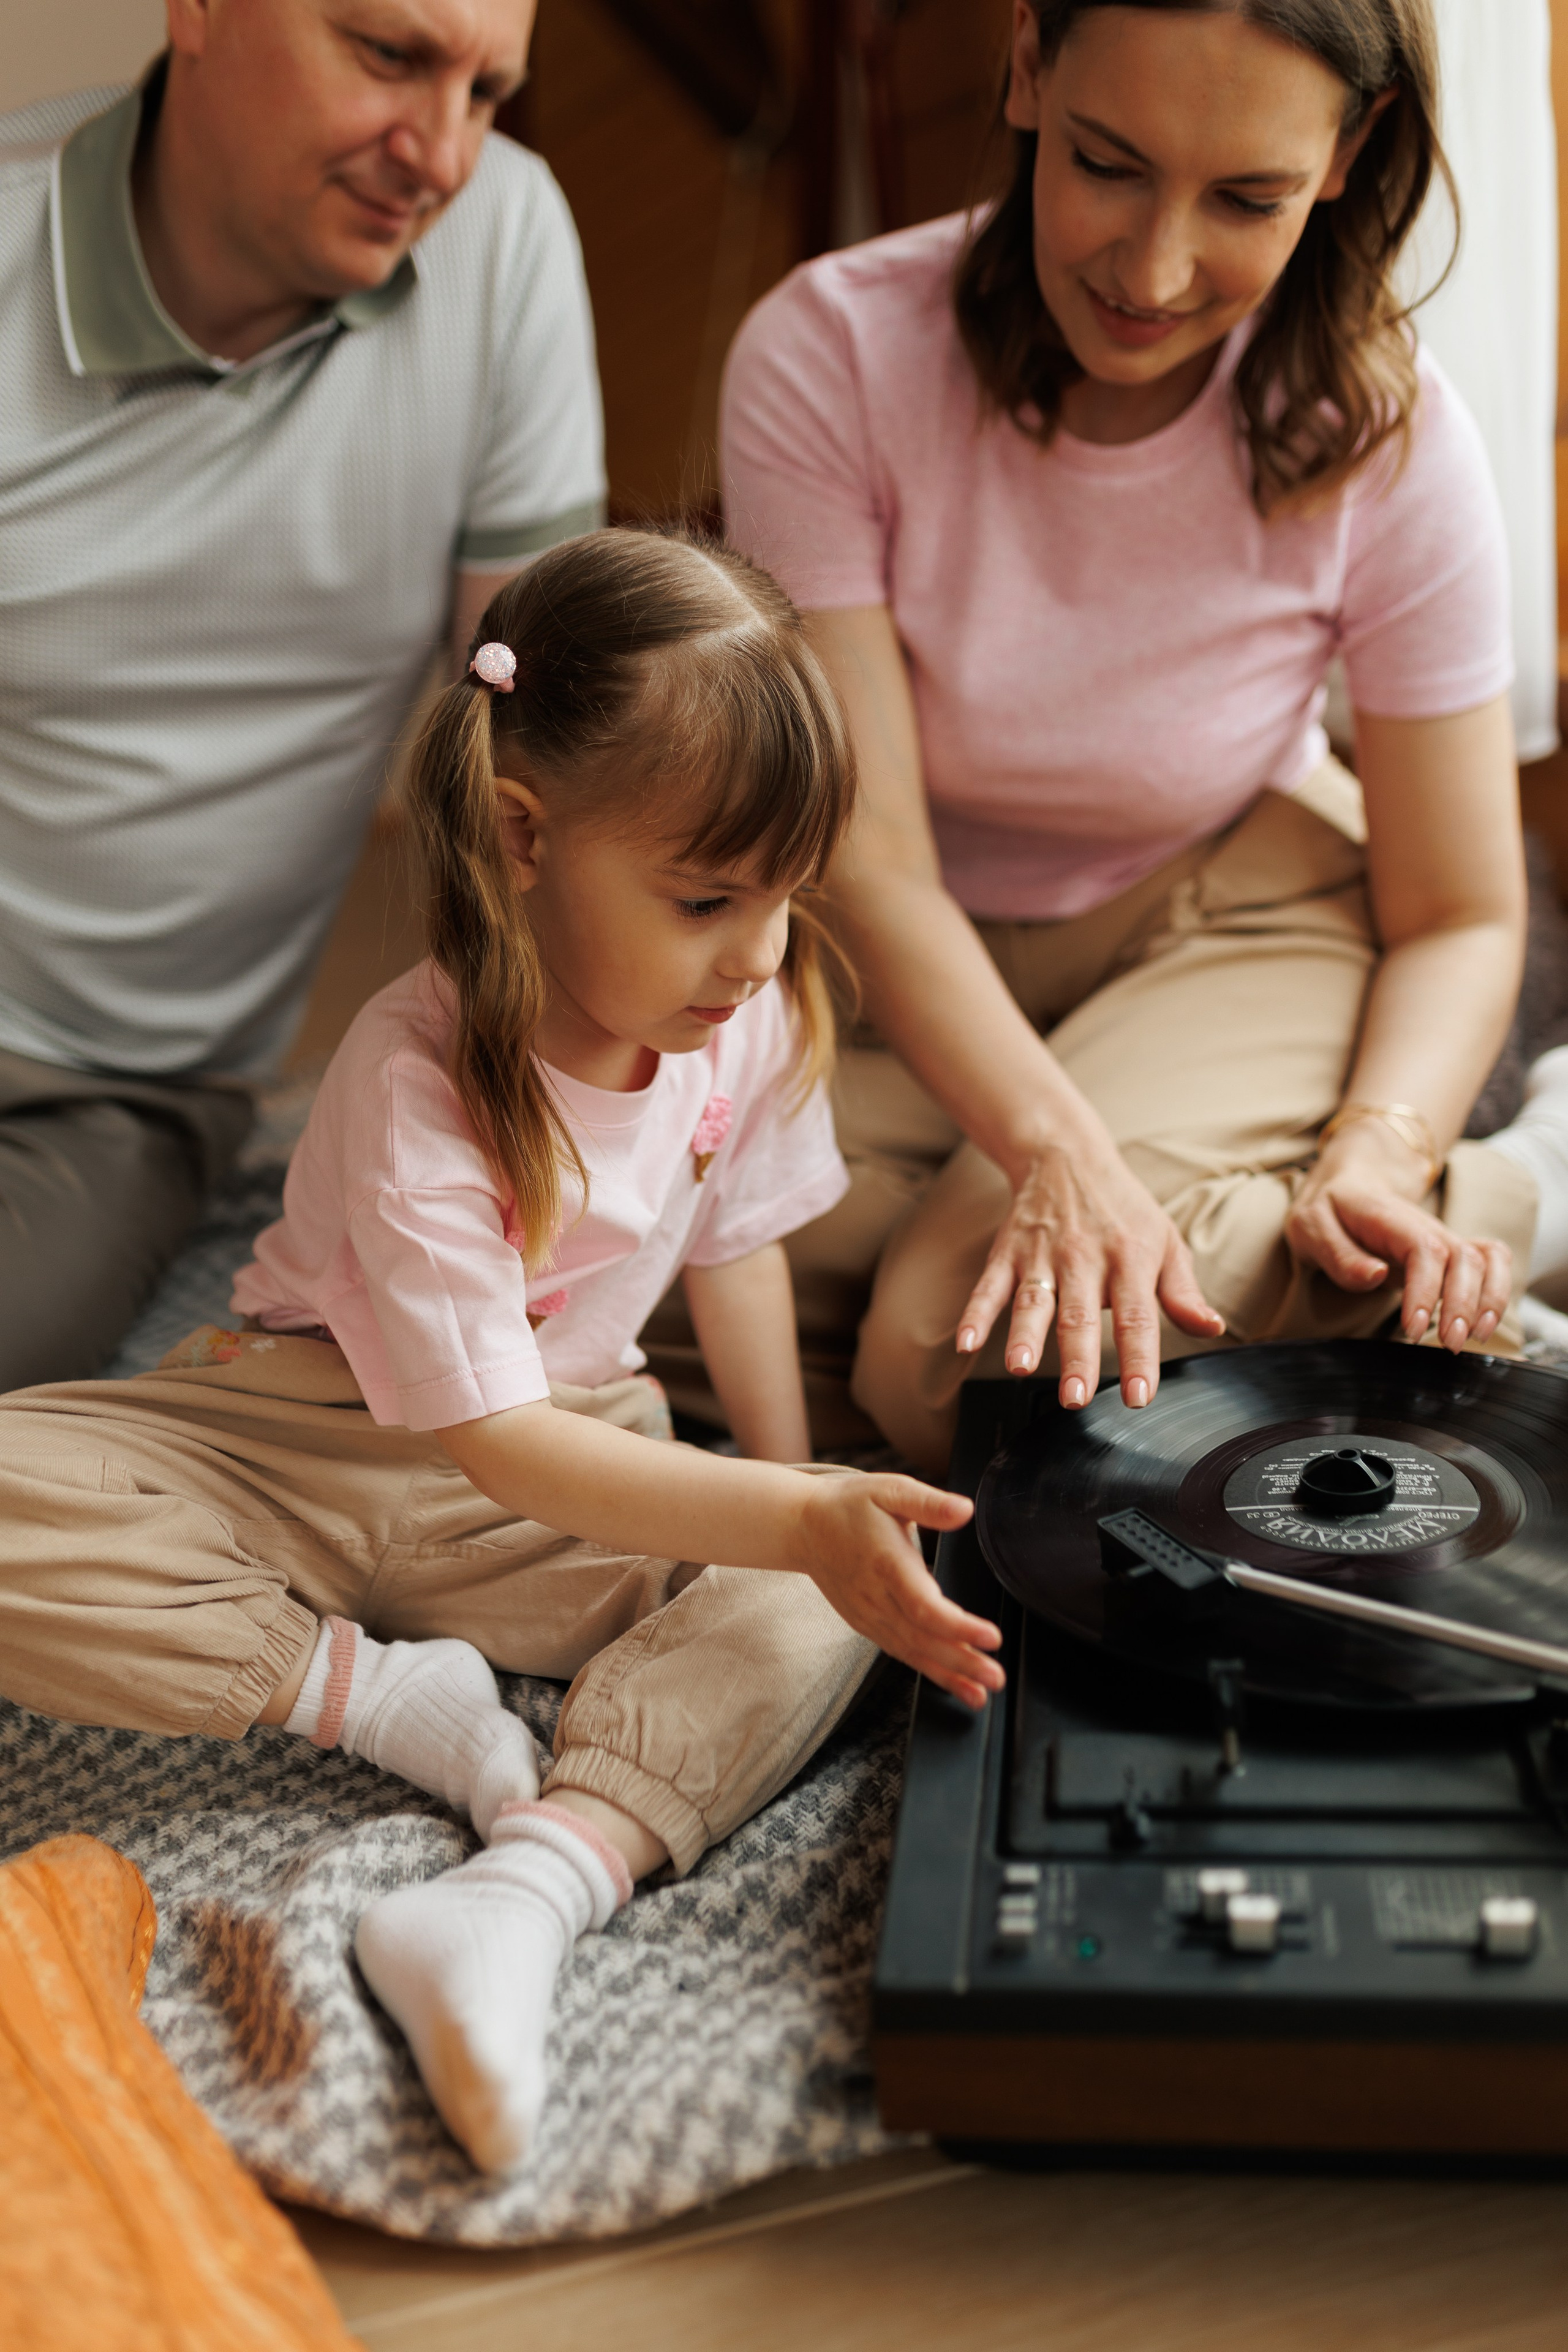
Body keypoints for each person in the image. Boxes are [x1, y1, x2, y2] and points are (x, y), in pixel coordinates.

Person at [0, 530, 1001, 2174]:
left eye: (784, 897)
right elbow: (488, 1439)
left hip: (564, 1458)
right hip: (297, 1434)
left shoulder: (740, 1017)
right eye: (706, 899)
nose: (757, 951)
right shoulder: (417, 1081)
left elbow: (732, 1249)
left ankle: (529, 1888)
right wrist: (776, 1513)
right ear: (527, 837)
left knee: (831, 1572)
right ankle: (386, 1696)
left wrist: (785, 1488)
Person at [718, 0, 1536, 1474]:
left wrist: (1377, 1146)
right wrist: (1055, 1153)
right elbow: (877, 864)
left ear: (1345, 157)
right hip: (893, 948)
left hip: (1228, 917)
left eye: (1244, 199)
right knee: (607, 1231)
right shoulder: (826, 355)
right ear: (1027, 64)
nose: (1153, 272)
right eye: (1107, 163)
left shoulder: (1393, 436)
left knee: (950, 1343)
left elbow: (1462, 910)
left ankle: (1506, 1195)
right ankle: (1307, 1254)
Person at [0, 0, 603, 1389]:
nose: (439, 152)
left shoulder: (500, 244)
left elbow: (559, 758)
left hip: (110, 1090)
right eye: (389, 56)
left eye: (486, 91)